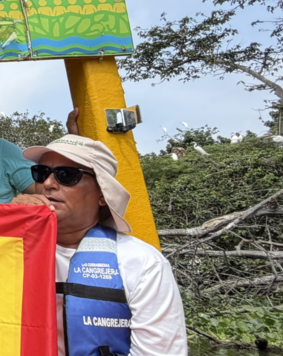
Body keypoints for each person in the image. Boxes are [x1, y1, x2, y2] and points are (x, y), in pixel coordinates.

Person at [21, 135, 188, 355]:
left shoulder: (143, 264)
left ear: (102, 193)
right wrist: (9, 219)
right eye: (41, 174)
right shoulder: (10, 249)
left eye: (66, 175)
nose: (48, 184)